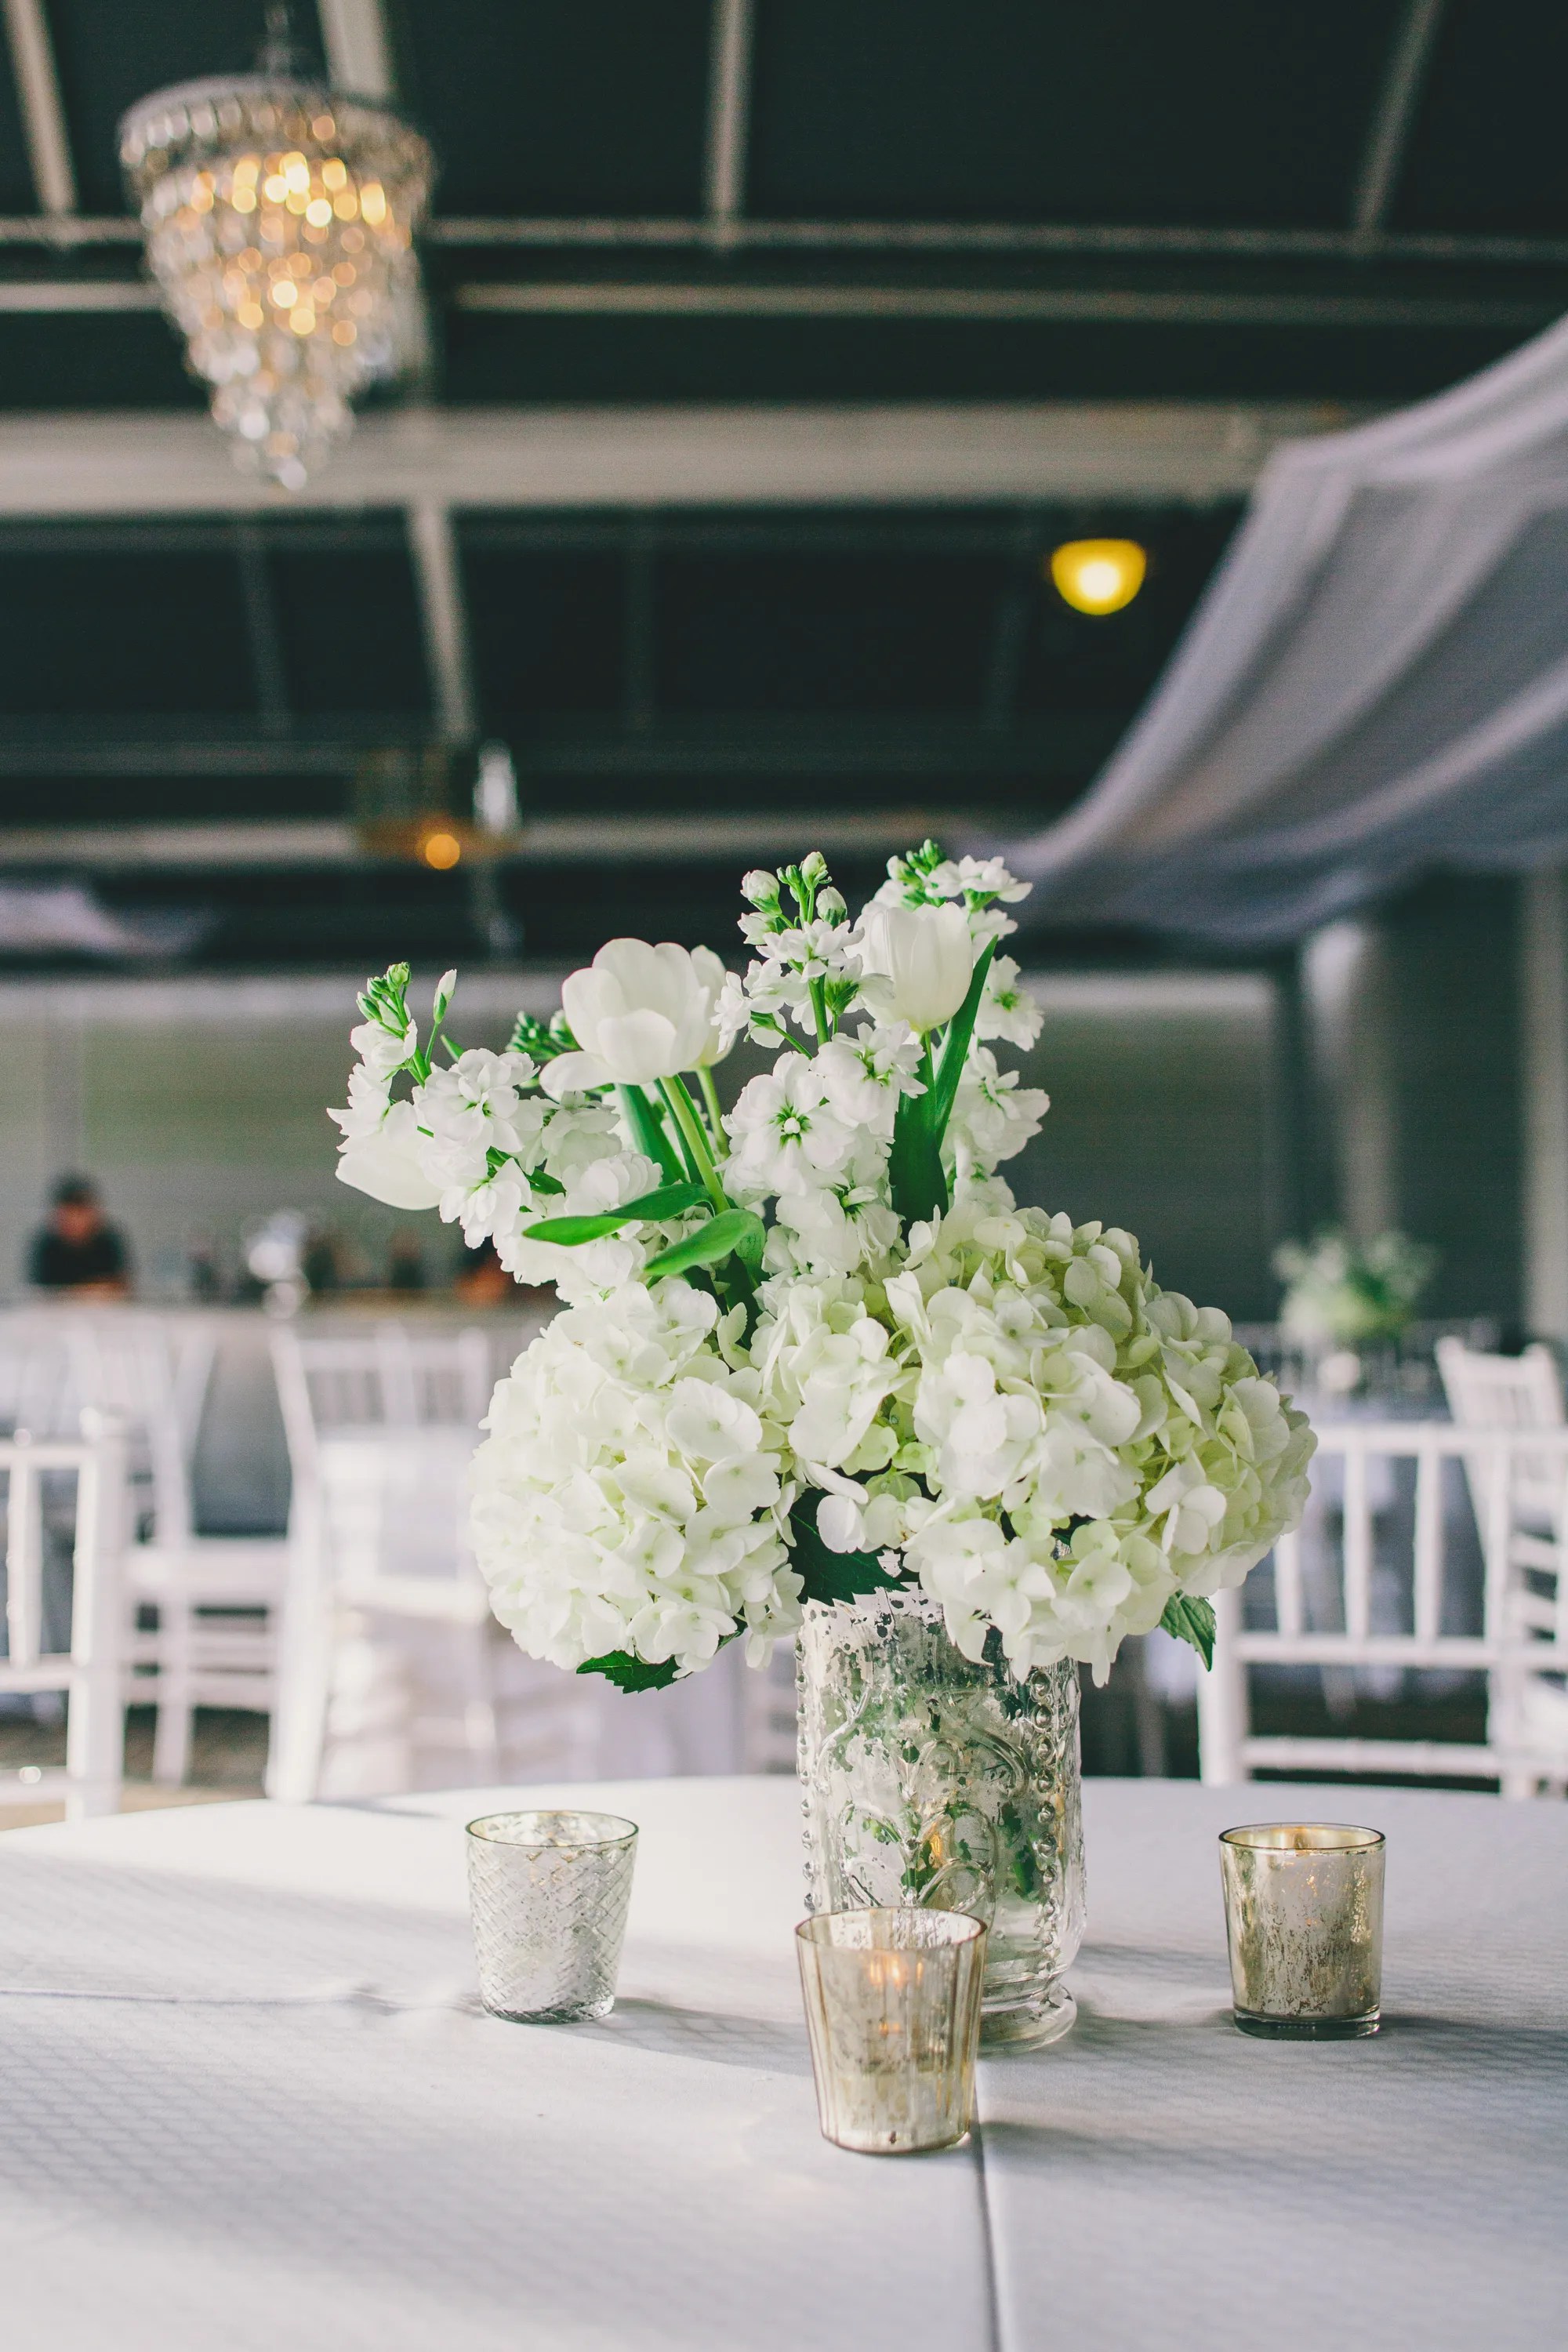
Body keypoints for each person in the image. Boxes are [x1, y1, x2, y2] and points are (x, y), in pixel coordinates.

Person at [27, 1175, 132, 1296]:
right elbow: (41, 1291)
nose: (74, 1222)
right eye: (68, 1215)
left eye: (79, 1214)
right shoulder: (48, 1245)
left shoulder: (108, 1242)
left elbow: (121, 1286)